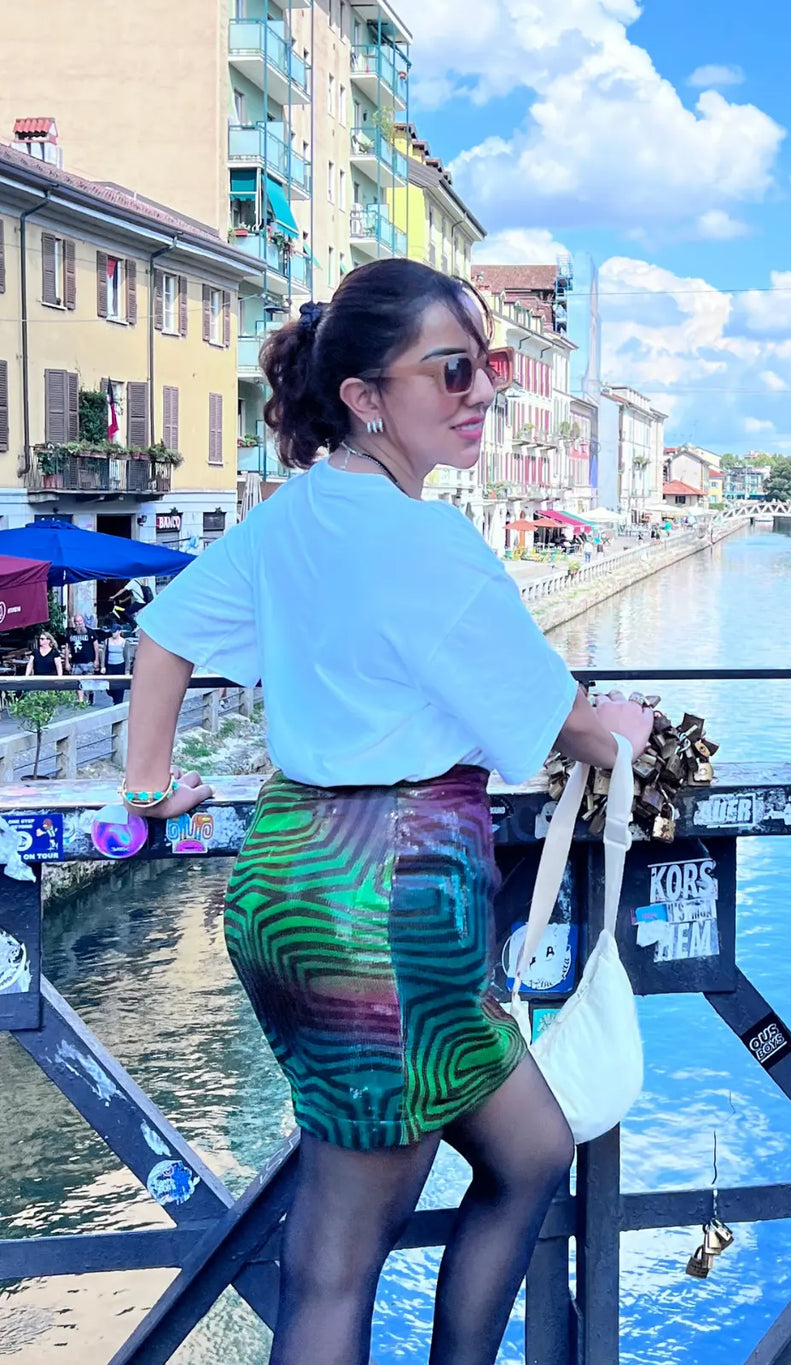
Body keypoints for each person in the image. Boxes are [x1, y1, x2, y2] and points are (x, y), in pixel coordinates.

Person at [122, 259, 655, 1365]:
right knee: (337, 1257)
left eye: (490, 371)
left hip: (288, 878)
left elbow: (161, 637)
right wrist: (629, 733)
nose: (481, 394)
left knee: (525, 1147)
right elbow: (567, 722)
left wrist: (147, 788)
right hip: (396, 900)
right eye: (452, 371)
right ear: (366, 397)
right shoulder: (432, 543)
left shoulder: (292, 515)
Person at [65, 612, 102, 704]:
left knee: (88, 681)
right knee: (77, 682)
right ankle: (81, 700)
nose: (78, 623)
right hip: (76, 662)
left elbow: (96, 647)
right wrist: (67, 662)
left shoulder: (90, 632)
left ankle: (90, 695)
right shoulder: (70, 633)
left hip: (88, 662)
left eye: (80, 621)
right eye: (76, 622)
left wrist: (97, 660)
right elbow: (67, 648)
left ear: (83, 621)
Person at [104, 627, 129, 705]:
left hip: (120, 665)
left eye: (115, 632)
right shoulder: (107, 641)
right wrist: (102, 666)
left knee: (119, 686)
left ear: (119, 632)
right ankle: (113, 696)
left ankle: (118, 702)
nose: (113, 633)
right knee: (109, 686)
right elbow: (104, 654)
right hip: (110, 666)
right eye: (112, 632)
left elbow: (127, 657)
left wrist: (127, 670)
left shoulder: (124, 642)